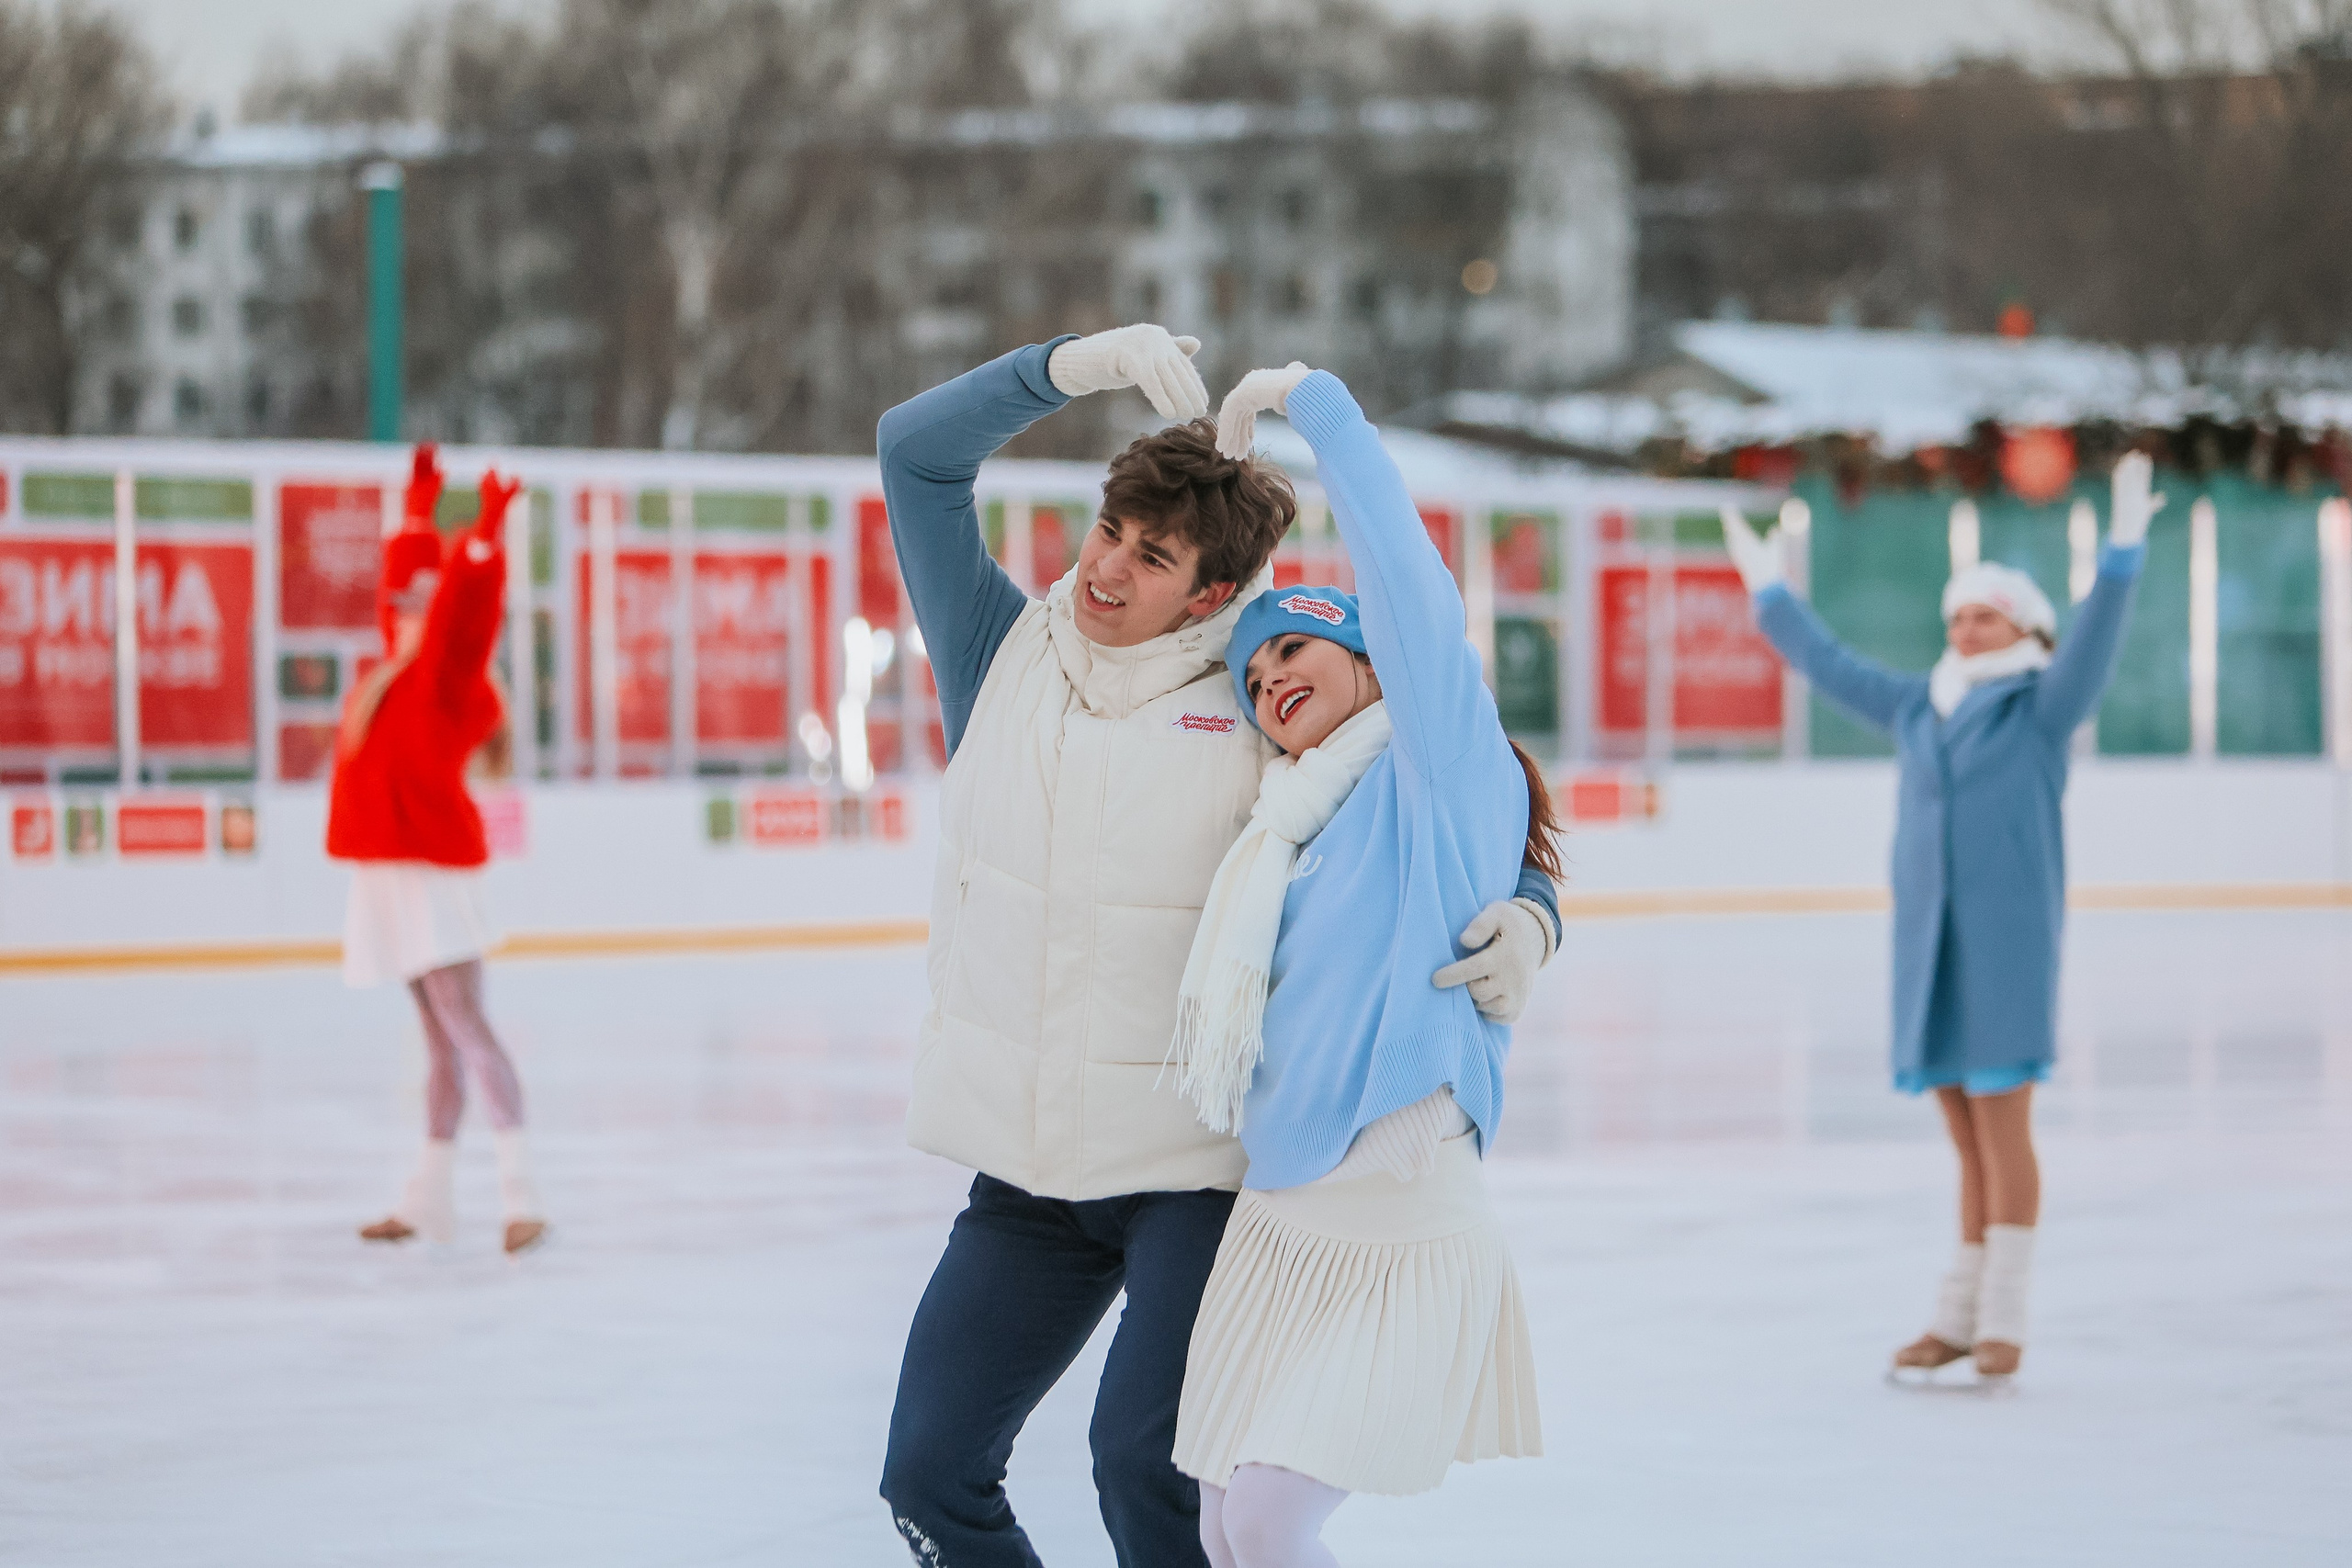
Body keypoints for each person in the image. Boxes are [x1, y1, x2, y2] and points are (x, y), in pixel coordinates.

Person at [874, 325, 1564, 1568]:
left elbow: (1421, 808)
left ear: (1212, 593)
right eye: (1108, 535)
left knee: (1148, 1469)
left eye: (1154, 557)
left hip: (1187, 1176)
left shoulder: (1260, 703)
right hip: (1024, 1178)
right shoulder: (1001, 657)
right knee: (926, 1473)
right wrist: (1064, 369)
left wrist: (1533, 906)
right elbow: (912, 458)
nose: (1109, 569)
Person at [1164, 364, 1550, 1568]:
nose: (1273, 673)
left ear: (1375, 663)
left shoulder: (1433, 771)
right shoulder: (1284, 835)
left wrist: (1321, 415)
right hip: (1282, 1215)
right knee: (1230, 1525)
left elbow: (1408, 582)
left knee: (1274, 1518)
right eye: (1256, 674)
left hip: (1396, 1213)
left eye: (1299, 647)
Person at [1719, 453, 2160, 1385]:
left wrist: (2121, 552)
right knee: (1962, 1135)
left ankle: (2001, 1317)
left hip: (2004, 947)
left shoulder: (2039, 706)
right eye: (1956, 614)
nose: (1965, 627)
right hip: (1928, 948)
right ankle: (1956, 1317)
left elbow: (2094, 647)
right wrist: (1768, 592)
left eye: (1985, 613)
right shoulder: (1923, 704)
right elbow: (1830, 667)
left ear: (2024, 626)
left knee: (2002, 1130)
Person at [330, 446, 547, 1258]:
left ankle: (521, 1193)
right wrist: (418, 512)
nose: (404, 601)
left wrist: (484, 534)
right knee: (438, 1039)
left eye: (418, 597)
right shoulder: (400, 661)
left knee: (467, 1028)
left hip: (427, 872)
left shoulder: (446, 674)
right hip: (389, 871)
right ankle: (425, 1198)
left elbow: (464, 606)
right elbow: (413, 585)